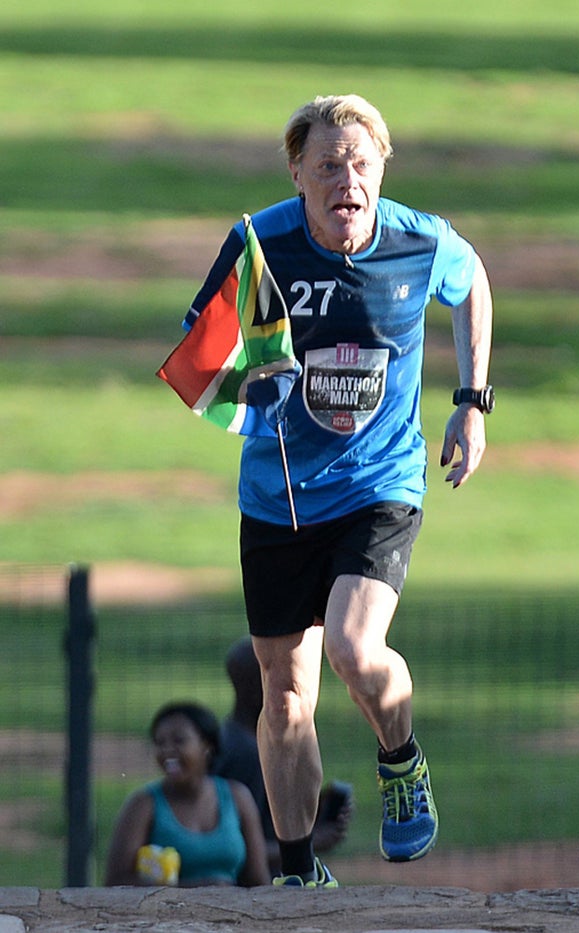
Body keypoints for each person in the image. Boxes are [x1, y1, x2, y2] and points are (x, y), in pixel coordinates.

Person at [184, 94, 493, 887]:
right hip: (279, 494)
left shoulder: (419, 243)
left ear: (382, 169)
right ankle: (297, 871)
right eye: (326, 165)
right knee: (284, 695)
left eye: (359, 163)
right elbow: (210, 349)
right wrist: (241, 370)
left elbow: (473, 284)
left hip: (380, 481)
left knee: (357, 647)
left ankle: (401, 760)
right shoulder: (261, 242)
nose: (344, 179)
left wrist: (471, 401)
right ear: (298, 174)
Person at [213, 638, 353, 876]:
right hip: (257, 885)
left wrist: (311, 809)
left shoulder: (229, 736)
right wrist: (309, 843)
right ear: (260, 683)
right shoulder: (249, 754)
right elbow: (236, 846)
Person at [104, 702, 270, 887]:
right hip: (164, 914)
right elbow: (115, 882)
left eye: (179, 741)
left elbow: (258, 879)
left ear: (206, 746)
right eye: (160, 743)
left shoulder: (237, 797)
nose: (167, 750)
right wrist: (196, 889)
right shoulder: (144, 805)